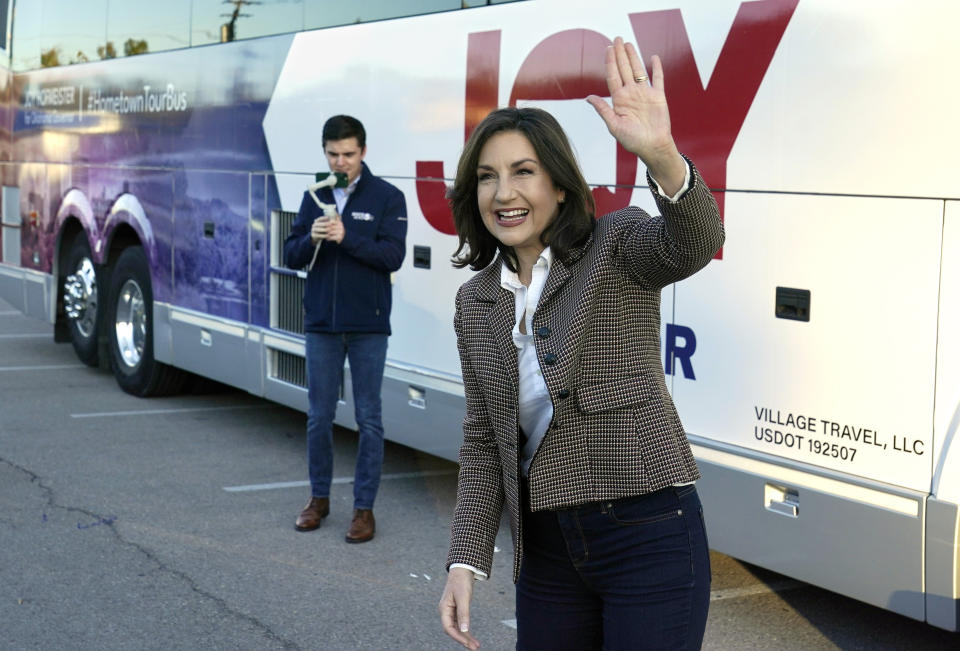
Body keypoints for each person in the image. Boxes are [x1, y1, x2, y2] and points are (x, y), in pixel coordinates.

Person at [438, 38, 724, 649]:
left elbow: (694, 241)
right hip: (544, 549)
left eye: (523, 172)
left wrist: (663, 155)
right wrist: (466, 559)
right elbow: (485, 438)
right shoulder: (475, 301)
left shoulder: (613, 247)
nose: (503, 193)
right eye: (487, 177)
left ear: (560, 186)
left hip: (648, 531)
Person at [283, 114, 407, 543]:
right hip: (322, 324)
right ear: (324, 152)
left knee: (368, 419)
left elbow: (392, 257)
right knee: (318, 417)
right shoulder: (313, 195)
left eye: (349, 155)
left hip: (369, 326)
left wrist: (345, 236)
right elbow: (291, 254)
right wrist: (312, 238)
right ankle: (318, 500)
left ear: (363, 152)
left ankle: (363, 510)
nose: (341, 163)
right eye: (333, 154)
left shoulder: (389, 196)